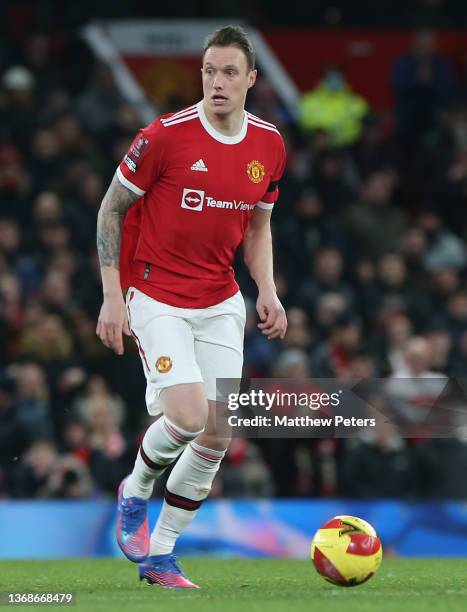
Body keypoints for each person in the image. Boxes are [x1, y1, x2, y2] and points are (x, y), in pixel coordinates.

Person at [95, 25, 287, 588]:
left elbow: (258, 227)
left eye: (230, 72)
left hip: (220, 298)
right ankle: (134, 491)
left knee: (218, 433)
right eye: (209, 71)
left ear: (252, 79)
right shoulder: (163, 137)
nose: (217, 82)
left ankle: (162, 556)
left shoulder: (269, 143)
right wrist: (112, 296)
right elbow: (110, 210)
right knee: (186, 416)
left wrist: (268, 290)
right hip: (155, 295)